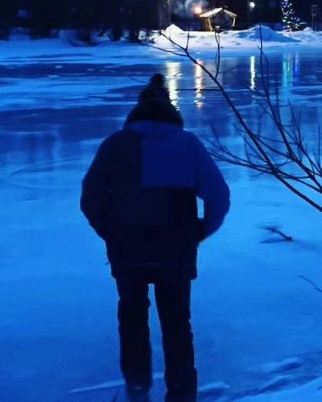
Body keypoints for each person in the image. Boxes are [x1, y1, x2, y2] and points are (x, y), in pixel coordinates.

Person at [81, 73, 229, 401]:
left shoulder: (115, 145)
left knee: (132, 319)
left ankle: (137, 388)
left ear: (138, 110)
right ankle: (181, 393)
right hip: (175, 250)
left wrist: (110, 232)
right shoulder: (187, 144)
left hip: (128, 249)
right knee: (177, 324)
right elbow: (218, 196)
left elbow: (90, 199)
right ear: (170, 111)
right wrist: (201, 231)